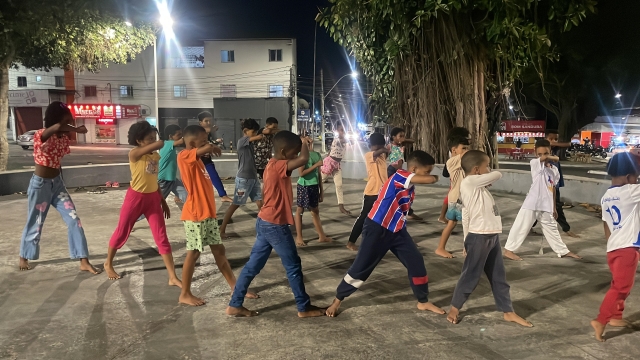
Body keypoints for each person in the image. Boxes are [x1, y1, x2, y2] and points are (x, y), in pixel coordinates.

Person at [326, 151, 445, 317]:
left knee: (416, 261)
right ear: (413, 169)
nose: (429, 175)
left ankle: (423, 301)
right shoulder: (400, 176)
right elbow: (430, 180)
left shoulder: (408, 184)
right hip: (377, 228)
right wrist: (437, 177)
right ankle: (338, 300)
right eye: (426, 171)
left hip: (397, 230)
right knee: (362, 267)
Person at [226, 131, 327, 318]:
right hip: (274, 224)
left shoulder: (272, 165)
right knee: (293, 265)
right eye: (293, 153)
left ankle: (235, 305)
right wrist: (304, 143)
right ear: (282, 151)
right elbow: (304, 159)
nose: (297, 156)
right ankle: (303, 308)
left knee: (253, 266)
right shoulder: (279, 165)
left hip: (265, 221)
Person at [447, 150, 532, 327]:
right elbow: (498, 174)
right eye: (487, 166)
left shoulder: (478, 188)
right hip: (479, 236)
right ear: (477, 170)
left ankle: (508, 311)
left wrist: (465, 239)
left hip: (490, 235)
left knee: (498, 276)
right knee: (471, 274)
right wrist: (468, 240)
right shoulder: (469, 182)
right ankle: (455, 307)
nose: (489, 170)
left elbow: (466, 213)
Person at [177, 125, 258, 306]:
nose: (207, 145)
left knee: (219, 251)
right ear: (191, 143)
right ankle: (185, 293)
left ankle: (234, 287)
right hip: (195, 215)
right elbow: (205, 149)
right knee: (194, 253)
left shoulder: (199, 161)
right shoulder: (184, 156)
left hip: (208, 214)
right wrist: (212, 146)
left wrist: (207, 147)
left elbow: (204, 150)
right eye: (203, 141)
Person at [18, 101, 100, 274]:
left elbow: (58, 162)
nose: (70, 124)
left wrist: (61, 182)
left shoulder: (63, 140)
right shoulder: (42, 134)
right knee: (36, 221)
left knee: (74, 220)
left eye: (71, 121)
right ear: (57, 121)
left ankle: (83, 260)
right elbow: (53, 129)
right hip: (40, 185)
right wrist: (75, 129)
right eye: (66, 121)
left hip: (57, 185)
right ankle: (24, 256)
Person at [104, 121, 181, 287]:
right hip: (135, 198)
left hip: (153, 199)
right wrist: (160, 141)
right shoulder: (134, 154)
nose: (154, 141)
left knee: (162, 237)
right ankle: (108, 263)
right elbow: (161, 143)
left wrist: (163, 201)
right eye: (150, 139)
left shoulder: (154, 156)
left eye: (154, 138)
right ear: (139, 141)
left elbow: (154, 179)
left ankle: (172, 276)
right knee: (122, 231)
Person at [504, 139, 581, 261]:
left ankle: (563, 251)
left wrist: (554, 207)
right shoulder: (535, 164)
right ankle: (508, 250)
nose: (543, 156)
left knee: (552, 229)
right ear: (536, 154)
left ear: (550, 151)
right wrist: (553, 158)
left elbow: (553, 189)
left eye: (546, 153)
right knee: (521, 227)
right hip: (532, 203)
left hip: (546, 205)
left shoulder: (554, 170)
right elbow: (547, 159)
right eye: (540, 154)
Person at [591, 153, 640, 341]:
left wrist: (612, 244)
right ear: (629, 176)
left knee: (621, 285)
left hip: (614, 247)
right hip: (626, 248)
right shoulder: (630, 191)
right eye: (637, 176)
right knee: (621, 286)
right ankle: (601, 320)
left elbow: (606, 225)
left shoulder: (606, 197)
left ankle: (616, 317)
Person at [219, 118, 264, 239]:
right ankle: (222, 229)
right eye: (252, 132)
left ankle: (264, 229)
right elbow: (256, 138)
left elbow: (255, 138)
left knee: (260, 203)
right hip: (243, 179)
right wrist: (260, 134)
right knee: (235, 204)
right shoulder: (242, 141)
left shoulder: (249, 142)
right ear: (245, 130)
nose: (254, 134)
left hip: (253, 178)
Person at [346, 132, 388, 251]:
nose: (381, 149)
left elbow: (385, 153)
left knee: (382, 217)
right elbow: (379, 152)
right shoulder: (369, 155)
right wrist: (383, 148)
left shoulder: (382, 156)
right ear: (373, 146)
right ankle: (351, 242)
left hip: (382, 192)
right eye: (379, 146)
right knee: (364, 217)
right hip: (372, 192)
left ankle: (379, 241)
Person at [533, 130, 580, 238]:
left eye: (556, 139)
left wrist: (551, 144)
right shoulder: (540, 156)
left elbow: (568, 144)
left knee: (556, 207)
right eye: (551, 139)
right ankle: (566, 229)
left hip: (554, 186)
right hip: (542, 187)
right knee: (536, 209)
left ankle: (566, 228)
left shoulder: (554, 151)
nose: (554, 141)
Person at [137, 125, 187, 223]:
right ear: (170, 136)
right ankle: (133, 218)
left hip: (172, 179)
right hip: (164, 180)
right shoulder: (167, 143)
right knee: (155, 204)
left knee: (187, 196)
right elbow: (182, 141)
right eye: (179, 135)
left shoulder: (170, 145)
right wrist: (194, 134)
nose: (181, 137)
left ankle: (194, 215)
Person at [294, 135, 332, 246]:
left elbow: (319, 174)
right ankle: (299, 237)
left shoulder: (317, 155)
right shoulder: (301, 156)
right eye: (305, 139)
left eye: (309, 139)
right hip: (304, 185)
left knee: (315, 211)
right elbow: (301, 173)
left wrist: (321, 190)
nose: (309, 140)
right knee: (300, 211)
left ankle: (322, 236)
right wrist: (315, 165)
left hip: (314, 186)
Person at [435, 136, 470, 258]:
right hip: (456, 198)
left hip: (464, 197)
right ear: (454, 149)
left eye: (467, 148)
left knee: (467, 223)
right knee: (452, 223)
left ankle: (467, 247)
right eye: (463, 148)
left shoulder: (463, 160)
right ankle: (440, 248)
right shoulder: (452, 161)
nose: (466, 151)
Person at [386, 127, 421, 220]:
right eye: (400, 136)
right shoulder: (390, 146)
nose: (402, 138)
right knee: (392, 194)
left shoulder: (402, 145)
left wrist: (403, 139)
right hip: (391, 171)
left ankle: (408, 211)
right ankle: (390, 213)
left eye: (403, 136)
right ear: (393, 137)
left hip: (400, 172)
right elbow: (383, 156)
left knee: (404, 192)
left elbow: (413, 141)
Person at [439, 127, 471, 224]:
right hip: (456, 176)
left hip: (459, 177)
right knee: (452, 194)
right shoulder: (456, 152)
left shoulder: (458, 148)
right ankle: (442, 216)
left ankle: (444, 216)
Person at [198, 111, 232, 203]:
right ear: (200, 122)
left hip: (206, 159)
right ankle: (179, 195)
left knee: (214, 176)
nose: (209, 123)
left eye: (210, 121)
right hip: (196, 160)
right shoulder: (196, 131)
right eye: (206, 121)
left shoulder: (209, 133)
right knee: (195, 180)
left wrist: (213, 147)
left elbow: (207, 143)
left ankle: (223, 195)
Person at [321, 123, 351, 215]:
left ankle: (341, 207)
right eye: (341, 130)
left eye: (344, 130)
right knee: (320, 180)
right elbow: (343, 140)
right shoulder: (339, 139)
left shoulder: (341, 139)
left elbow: (332, 149)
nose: (343, 132)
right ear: (337, 131)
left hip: (336, 165)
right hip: (329, 163)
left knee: (339, 185)